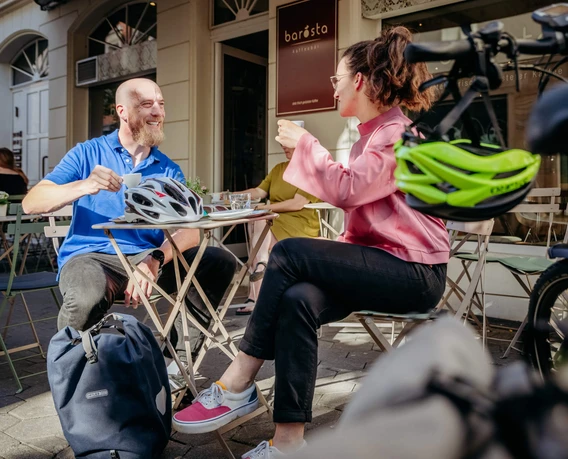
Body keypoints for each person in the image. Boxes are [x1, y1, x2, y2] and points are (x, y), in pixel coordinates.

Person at [172, 26, 450, 459]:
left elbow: (349, 190)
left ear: (359, 81)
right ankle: (288, 444)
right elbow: (364, 219)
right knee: (298, 298)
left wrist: (307, 145)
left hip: (415, 274)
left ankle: (238, 380)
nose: (333, 87)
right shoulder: (371, 135)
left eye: (337, 79)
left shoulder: (398, 134)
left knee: (287, 251)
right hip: (382, 264)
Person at [22, 78, 236, 376]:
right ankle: (73, 381)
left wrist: (155, 259)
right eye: (147, 104)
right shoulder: (87, 153)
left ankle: (175, 367)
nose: (158, 112)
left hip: (146, 260)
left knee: (218, 262)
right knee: (86, 296)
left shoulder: (168, 168)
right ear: (122, 111)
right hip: (92, 256)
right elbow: (32, 203)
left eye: (161, 104)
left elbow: (189, 231)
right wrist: (84, 185)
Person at [233, 137, 321, 315]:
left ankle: (255, 294)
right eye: (282, 144)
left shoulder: (311, 171)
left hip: (299, 222)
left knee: (259, 223)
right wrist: (233, 196)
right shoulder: (279, 169)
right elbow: (259, 192)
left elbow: (297, 204)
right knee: (257, 221)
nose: (283, 147)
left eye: (287, 144)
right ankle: (261, 266)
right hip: (274, 219)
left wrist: (264, 207)